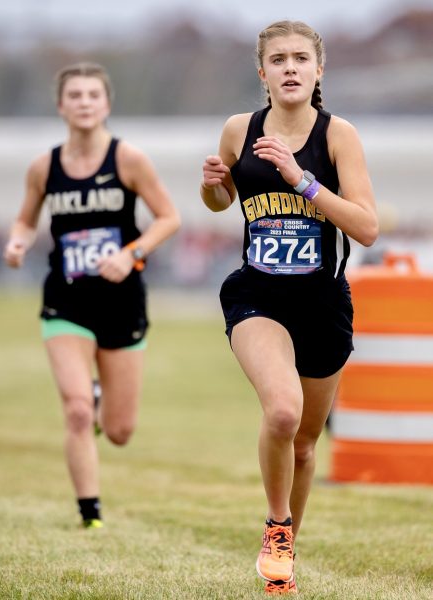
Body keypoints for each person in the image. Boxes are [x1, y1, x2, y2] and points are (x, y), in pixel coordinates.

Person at [200, 20, 378, 595]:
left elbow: (367, 227)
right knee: (281, 412)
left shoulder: (337, 136)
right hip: (257, 294)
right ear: (263, 73)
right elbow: (222, 201)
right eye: (278, 60)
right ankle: (276, 528)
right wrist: (212, 186)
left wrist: (302, 181)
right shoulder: (240, 129)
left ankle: (284, 559)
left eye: (301, 58)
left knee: (304, 441)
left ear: (319, 70)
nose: (290, 68)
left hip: (323, 300)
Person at [4, 62, 180, 529]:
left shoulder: (128, 160)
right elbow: (26, 218)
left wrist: (132, 253)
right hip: (66, 301)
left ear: (107, 104)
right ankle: (90, 513)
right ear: (61, 105)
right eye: (75, 95)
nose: (84, 102)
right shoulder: (44, 166)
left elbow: (169, 217)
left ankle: (101, 398)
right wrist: (18, 241)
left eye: (92, 95)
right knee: (78, 412)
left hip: (121, 302)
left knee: (119, 431)